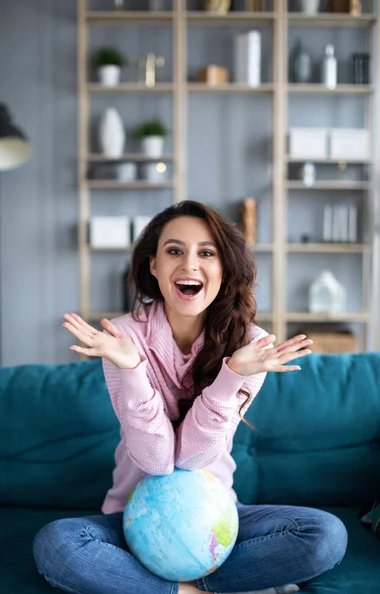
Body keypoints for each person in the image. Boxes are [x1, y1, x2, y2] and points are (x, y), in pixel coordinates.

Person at [33, 201, 347, 594]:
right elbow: (158, 461)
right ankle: (193, 591)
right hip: (134, 519)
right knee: (57, 547)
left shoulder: (251, 346)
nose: (189, 265)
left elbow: (193, 459)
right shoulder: (121, 339)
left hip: (214, 517)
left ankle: (162, 584)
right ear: (153, 265)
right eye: (174, 251)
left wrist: (231, 375)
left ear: (224, 268)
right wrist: (132, 369)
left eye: (207, 253)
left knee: (325, 535)